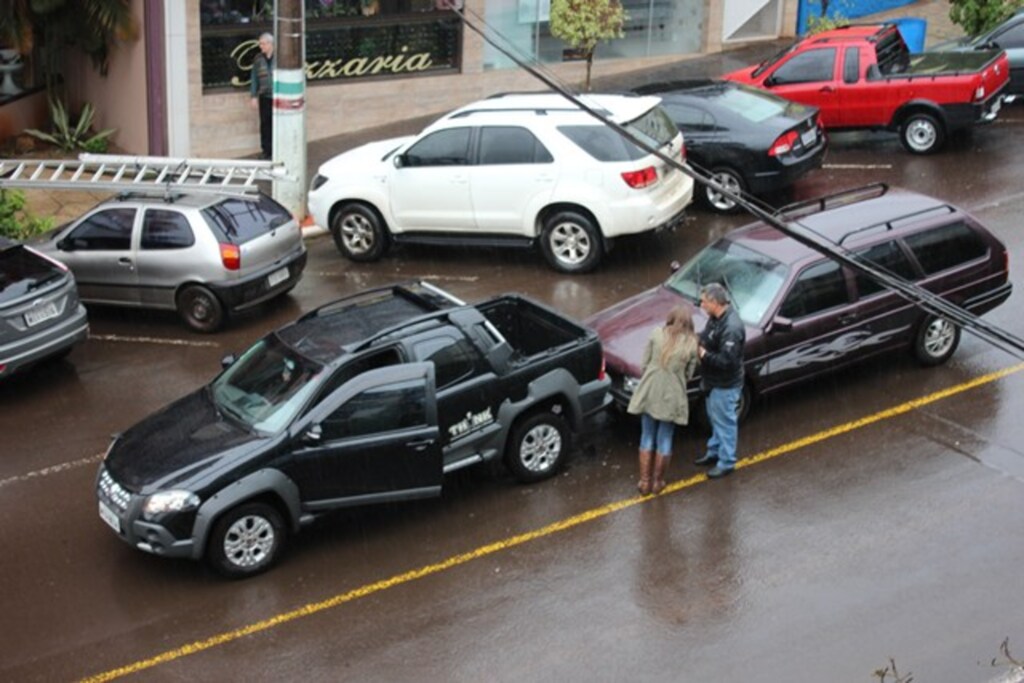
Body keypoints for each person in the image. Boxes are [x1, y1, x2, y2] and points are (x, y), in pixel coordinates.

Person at [627, 305, 699, 495]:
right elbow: (689, 374)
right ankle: (658, 482)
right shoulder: (691, 343)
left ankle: (644, 482)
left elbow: (644, 363)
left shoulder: (656, 333)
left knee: (647, 436)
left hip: (651, 389)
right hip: (673, 394)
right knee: (665, 438)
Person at [694, 282, 746, 479]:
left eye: (704, 302)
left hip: (725, 384)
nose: (702, 305)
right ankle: (714, 451)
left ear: (715, 302)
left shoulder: (731, 328)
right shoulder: (716, 318)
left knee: (724, 422)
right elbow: (708, 337)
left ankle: (727, 462)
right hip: (713, 382)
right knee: (715, 419)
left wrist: (703, 354)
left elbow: (727, 361)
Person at [249, 32, 274, 159]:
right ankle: (266, 151)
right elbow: (254, 77)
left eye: (263, 44)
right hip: (264, 96)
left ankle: (277, 150)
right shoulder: (258, 58)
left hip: (277, 96)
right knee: (265, 124)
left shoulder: (279, 57)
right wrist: (253, 96)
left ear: (270, 44)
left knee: (277, 124)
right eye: (260, 44)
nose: (261, 46)